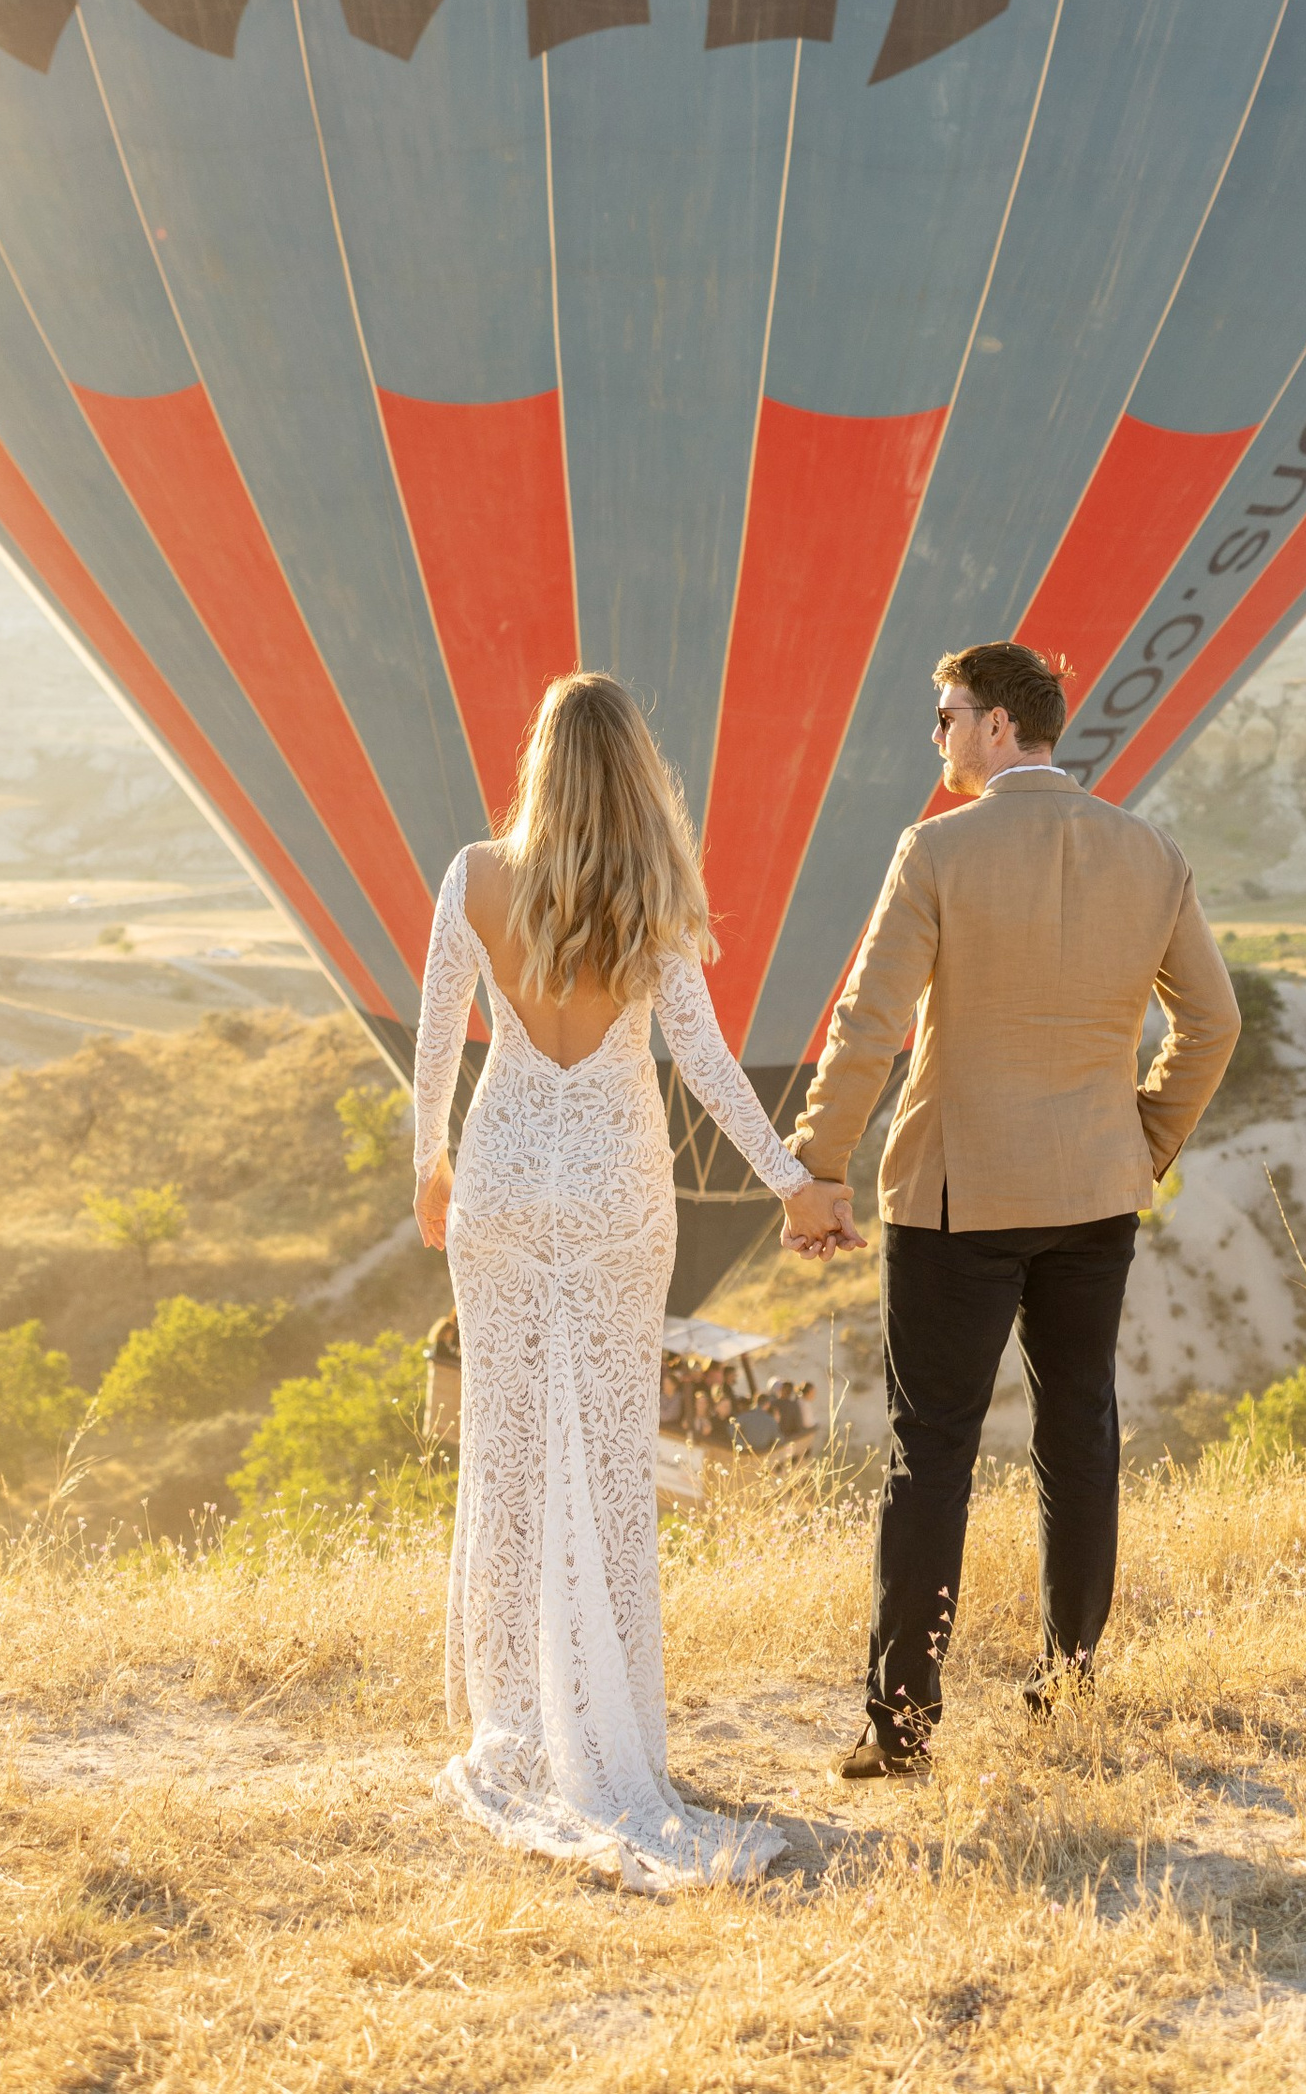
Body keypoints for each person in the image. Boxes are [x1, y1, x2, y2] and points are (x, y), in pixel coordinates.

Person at [411, 671, 852, 1889]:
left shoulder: (475, 876)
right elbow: (704, 1062)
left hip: (500, 1181)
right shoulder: (655, 894)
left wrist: (427, 1165)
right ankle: (609, 1740)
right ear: (635, 774)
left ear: (540, 766)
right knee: (605, 1462)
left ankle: (508, 1725)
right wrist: (789, 1184)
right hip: (613, 1192)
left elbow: (438, 1032)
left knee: (503, 1453)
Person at [785, 641, 1241, 1778]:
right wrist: (1142, 1139)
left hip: (957, 1199)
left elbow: (868, 1022)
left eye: (943, 715)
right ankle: (1070, 1681)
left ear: (996, 727)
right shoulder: (1149, 852)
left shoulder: (937, 849)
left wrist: (819, 1168)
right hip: (1093, 1191)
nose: (933, 736)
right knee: (1078, 1430)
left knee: (929, 1453)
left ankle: (903, 1726)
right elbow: (1214, 1025)